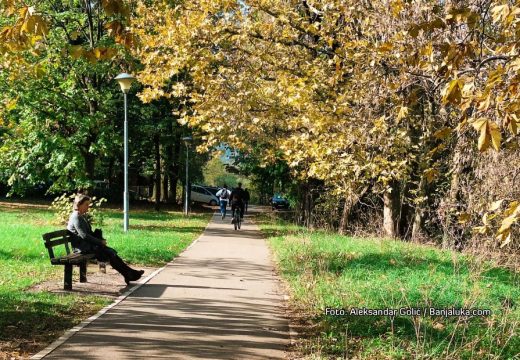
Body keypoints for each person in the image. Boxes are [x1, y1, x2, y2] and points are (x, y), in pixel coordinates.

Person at [67, 194, 144, 285]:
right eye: (86, 205)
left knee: (111, 253)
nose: (88, 207)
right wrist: (100, 242)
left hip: (87, 246)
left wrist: (99, 240)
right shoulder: (76, 217)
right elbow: (84, 236)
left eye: (89, 205)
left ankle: (129, 273)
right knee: (110, 253)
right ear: (79, 204)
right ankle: (129, 274)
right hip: (81, 248)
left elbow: (88, 234)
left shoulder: (81, 216)